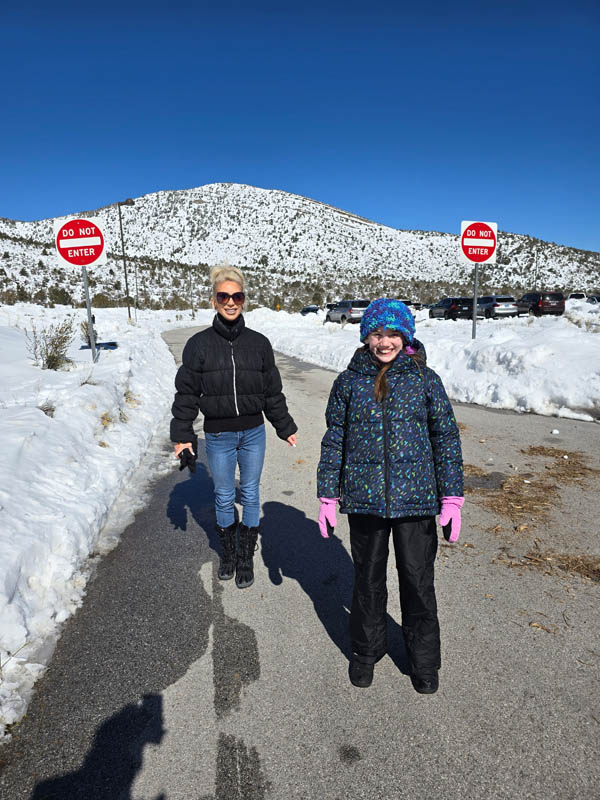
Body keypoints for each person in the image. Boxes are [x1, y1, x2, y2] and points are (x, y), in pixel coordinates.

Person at [317, 298, 464, 693]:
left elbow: (445, 439)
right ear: (366, 337)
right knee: (367, 582)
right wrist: (328, 495)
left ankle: (424, 662)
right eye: (377, 334)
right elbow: (335, 439)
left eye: (393, 334)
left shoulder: (425, 380)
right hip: (365, 502)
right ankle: (366, 652)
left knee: (418, 582)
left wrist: (452, 498)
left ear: (406, 337)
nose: (385, 342)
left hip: (416, 502)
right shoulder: (349, 382)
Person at [171, 265, 298, 588]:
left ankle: (245, 556)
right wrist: (183, 434)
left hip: (254, 433)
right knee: (225, 495)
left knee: (251, 493)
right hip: (218, 434)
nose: (230, 302)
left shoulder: (259, 343)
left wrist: (284, 426)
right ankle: (228, 553)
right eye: (224, 296)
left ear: (244, 300)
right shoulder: (198, 345)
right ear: (214, 300)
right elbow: (187, 393)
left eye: (237, 296)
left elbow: (272, 391)